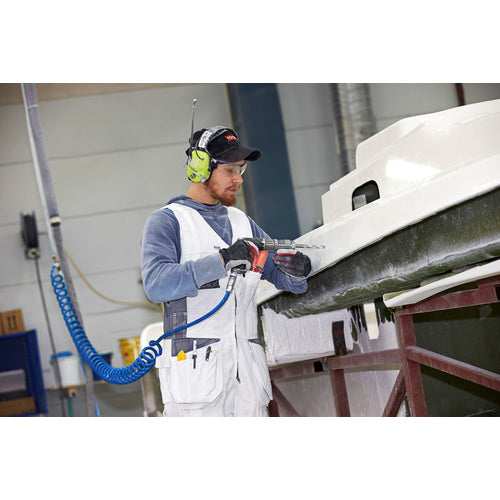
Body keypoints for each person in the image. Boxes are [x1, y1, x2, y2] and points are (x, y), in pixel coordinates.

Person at [141, 125, 312, 417]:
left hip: (248, 380)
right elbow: (156, 284)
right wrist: (221, 260)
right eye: (230, 170)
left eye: (241, 170)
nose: (238, 179)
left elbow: (281, 274)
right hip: (196, 381)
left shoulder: (242, 222)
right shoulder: (168, 222)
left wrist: (299, 271)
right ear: (200, 168)